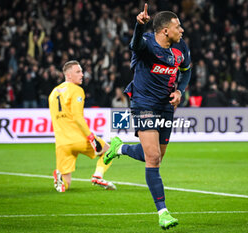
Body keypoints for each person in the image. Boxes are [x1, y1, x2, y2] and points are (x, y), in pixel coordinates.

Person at [104, 4, 191, 230]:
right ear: (164, 31)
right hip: (144, 104)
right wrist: (138, 26)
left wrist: (180, 90)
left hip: (166, 107)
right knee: (153, 158)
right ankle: (163, 212)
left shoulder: (181, 47)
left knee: (155, 156)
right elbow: (135, 44)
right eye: (177, 26)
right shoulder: (146, 44)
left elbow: (186, 70)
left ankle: (119, 148)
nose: (181, 30)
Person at [48, 60, 116, 192]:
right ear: (68, 75)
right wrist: (91, 137)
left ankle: (60, 178)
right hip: (79, 138)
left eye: (81, 71)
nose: (82, 74)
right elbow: (78, 118)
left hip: (62, 143)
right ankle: (98, 176)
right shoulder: (76, 90)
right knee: (109, 150)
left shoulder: (53, 93)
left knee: (66, 185)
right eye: (78, 72)